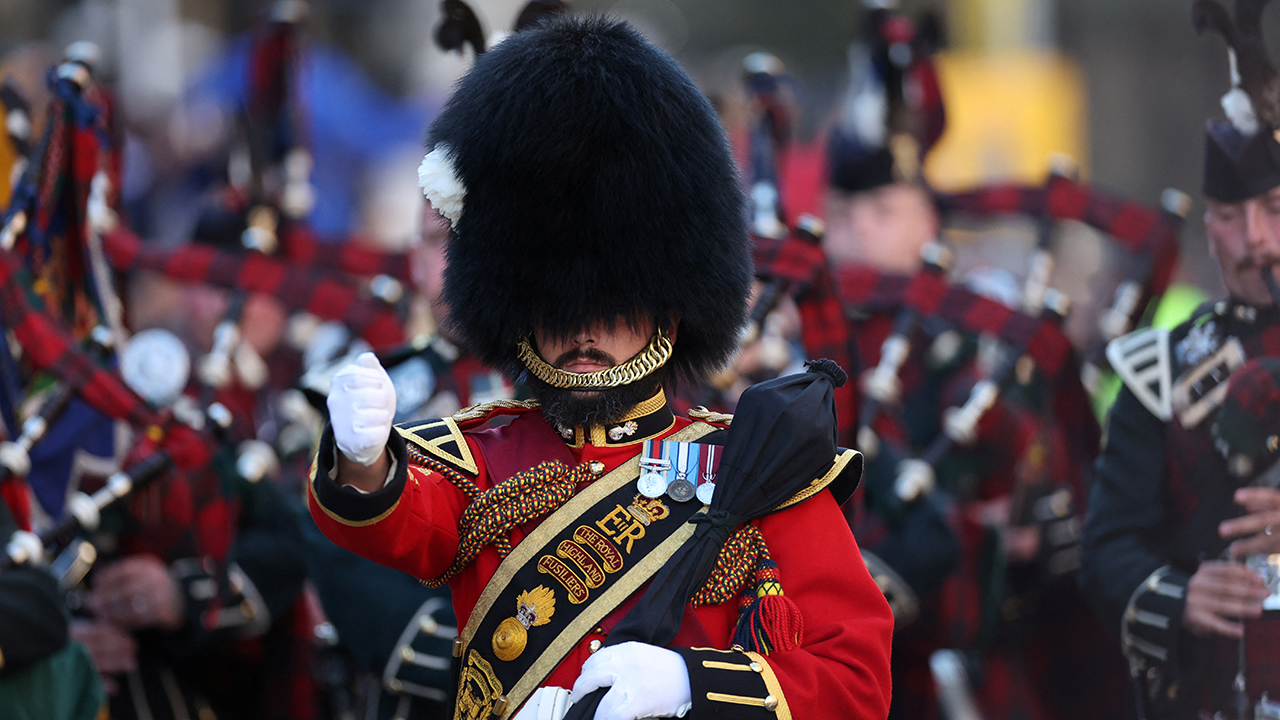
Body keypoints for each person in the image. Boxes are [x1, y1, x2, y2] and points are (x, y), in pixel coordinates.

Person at [310, 16, 893, 720]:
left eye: (611, 305)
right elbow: (388, 519)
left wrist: (693, 685)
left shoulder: (756, 468)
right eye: (554, 308)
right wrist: (363, 457)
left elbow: (855, 678)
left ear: (667, 311)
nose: (582, 328)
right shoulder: (477, 458)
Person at [1079, 4, 1280, 718]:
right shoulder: (1157, 373)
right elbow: (1107, 550)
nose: (1254, 240)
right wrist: (1182, 596)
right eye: (1230, 216)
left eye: (1275, 208)